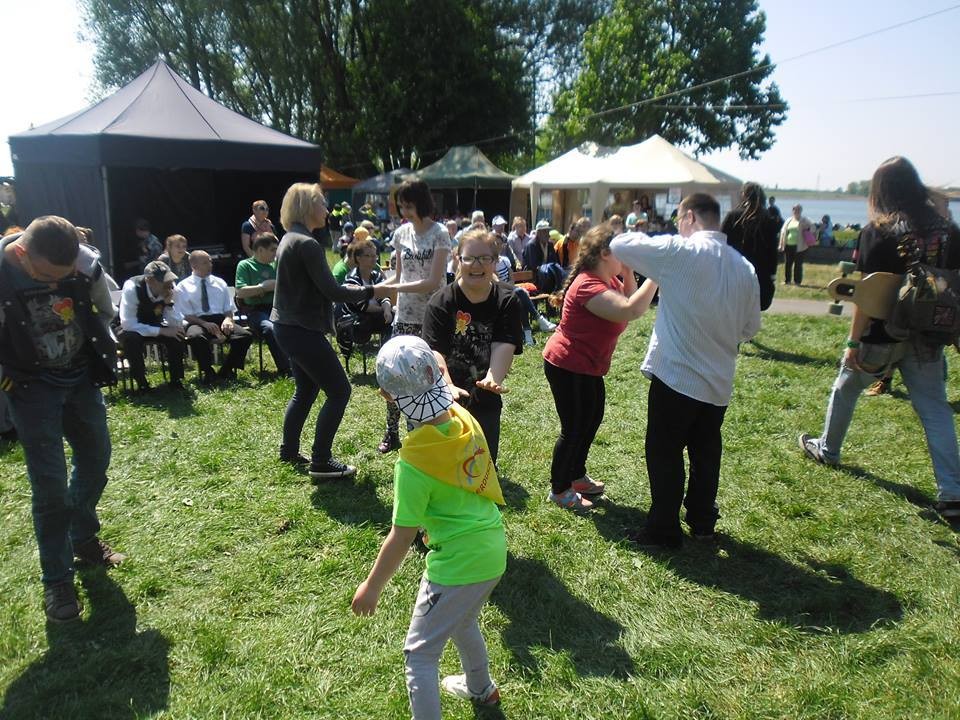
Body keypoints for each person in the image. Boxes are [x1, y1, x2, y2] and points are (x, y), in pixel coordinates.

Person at [352, 335, 506, 718]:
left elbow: (401, 536)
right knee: (463, 621)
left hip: (457, 565)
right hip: (492, 549)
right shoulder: (464, 419)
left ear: (388, 397)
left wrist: (372, 587)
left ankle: (476, 689)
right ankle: (481, 688)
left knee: (419, 655)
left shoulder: (413, 463)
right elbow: (437, 368)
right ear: (439, 375)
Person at [799, 156, 960, 520]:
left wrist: (852, 342)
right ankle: (952, 492)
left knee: (846, 388)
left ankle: (828, 448)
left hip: (881, 335)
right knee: (935, 409)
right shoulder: (948, 231)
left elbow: (867, 295)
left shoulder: (878, 232)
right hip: (928, 334)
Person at [612, 193, 761, 547]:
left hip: (676, 376)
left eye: (680, 220)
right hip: (719, 380)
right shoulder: (745, 267)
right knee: (706, 452)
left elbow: (619, 244)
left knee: (664, 452)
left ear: (690, 217)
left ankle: (663, 529)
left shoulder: (679, 251)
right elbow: (749, 329)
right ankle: (702, 520)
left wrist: (671, 244)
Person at [0, 216, 125, 622]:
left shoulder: (85, 264)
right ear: (22, 253)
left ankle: (82, 537)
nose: (56, 283)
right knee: (50, 487)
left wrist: (101, 347)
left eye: (63, 276)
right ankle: (57, 580)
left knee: (97, 460)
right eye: (46, 276)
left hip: (81, 378)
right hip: (31, 388)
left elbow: (105, 308)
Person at [271, 183, 391, 477]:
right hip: (301, 329)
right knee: (339, 391)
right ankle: (321, 461)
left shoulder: (289, 238)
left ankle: (289, 450)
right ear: (307, 207)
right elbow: (333, 291)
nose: (327, 209)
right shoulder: (307, 244)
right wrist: (373, 290)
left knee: (306, 389)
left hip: (286, 327)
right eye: (321, 203)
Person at [544, 223, 659, 510]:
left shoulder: (608, 280)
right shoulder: (588, 284)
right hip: (567, 364)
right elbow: (630, 309)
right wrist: (658, 274)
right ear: (606, 253)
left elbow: (631, 302)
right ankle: (559, 489)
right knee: (574, 427)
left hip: (588, 366)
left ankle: (576, 474)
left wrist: (629, 271)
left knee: (591, 419)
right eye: (624, 252)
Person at [423, 229, 523, 464]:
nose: (476, 265)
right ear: (458, 259)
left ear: (495, 261)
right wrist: (447, 385)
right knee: (447, 464)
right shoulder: (440, 302)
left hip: (485, 398)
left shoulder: (507, 299)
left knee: (482, 466)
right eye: (469, 258)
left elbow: (505, 343)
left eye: (484, 258)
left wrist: (493, 378)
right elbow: (435, 351)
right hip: (443, 400)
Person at [377, 179, 450, 454]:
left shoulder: (440, 233)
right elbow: (396, 275)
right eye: (402, 206)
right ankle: (392, 431)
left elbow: (432, 281)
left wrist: (395, 287)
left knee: (427, 377)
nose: (405, 212)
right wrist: (375, 289)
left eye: (409, 206)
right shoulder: (400, 234)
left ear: (421, 203)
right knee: (395, 376)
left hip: (432, 316)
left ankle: (424, 432)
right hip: (405, 316)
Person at [118, 260, 187, 392]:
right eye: (164, 281)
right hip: (130, 327)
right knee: (131, 339)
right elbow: (128, 324)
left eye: (170, 279)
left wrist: (169, 305)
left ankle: (176, 380)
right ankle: (141, 383)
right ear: (149, 280)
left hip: (154, 323)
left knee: (177, 335)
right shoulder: (133, 287)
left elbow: (176, 324)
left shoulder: (171, 289)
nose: (169, 284)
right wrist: (161, 331)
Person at [234, 232, 290, 374]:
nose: (276, 253)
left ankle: (304, 366)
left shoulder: (276, 266)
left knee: (299, 324)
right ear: (260, 250)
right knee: (270, 328)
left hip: (279, 308)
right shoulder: (245, 265)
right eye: (272, 250)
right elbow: (240, 292)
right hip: (256, 311)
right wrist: (263, 288)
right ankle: (286, 369)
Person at [722, 182, 781, 310]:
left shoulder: (733, 216)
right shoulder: (768, 219)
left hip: (735, 272)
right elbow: (773, 251)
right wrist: (772, 275)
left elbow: (721, 243)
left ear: (744, 195)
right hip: (760, 273)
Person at [778, 203, 812, 285]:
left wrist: (807, 228)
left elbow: (812, 228)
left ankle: (797, 281)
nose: (796, 211)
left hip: (800, 246)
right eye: (794, 209)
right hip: (788, 245)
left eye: (798, 209)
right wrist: (781, 244)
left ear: (801, 210)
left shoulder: (805, 220)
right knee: (788, 263)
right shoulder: (788, 220)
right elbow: (783, 232)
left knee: (798, 264)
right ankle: (787, 280)